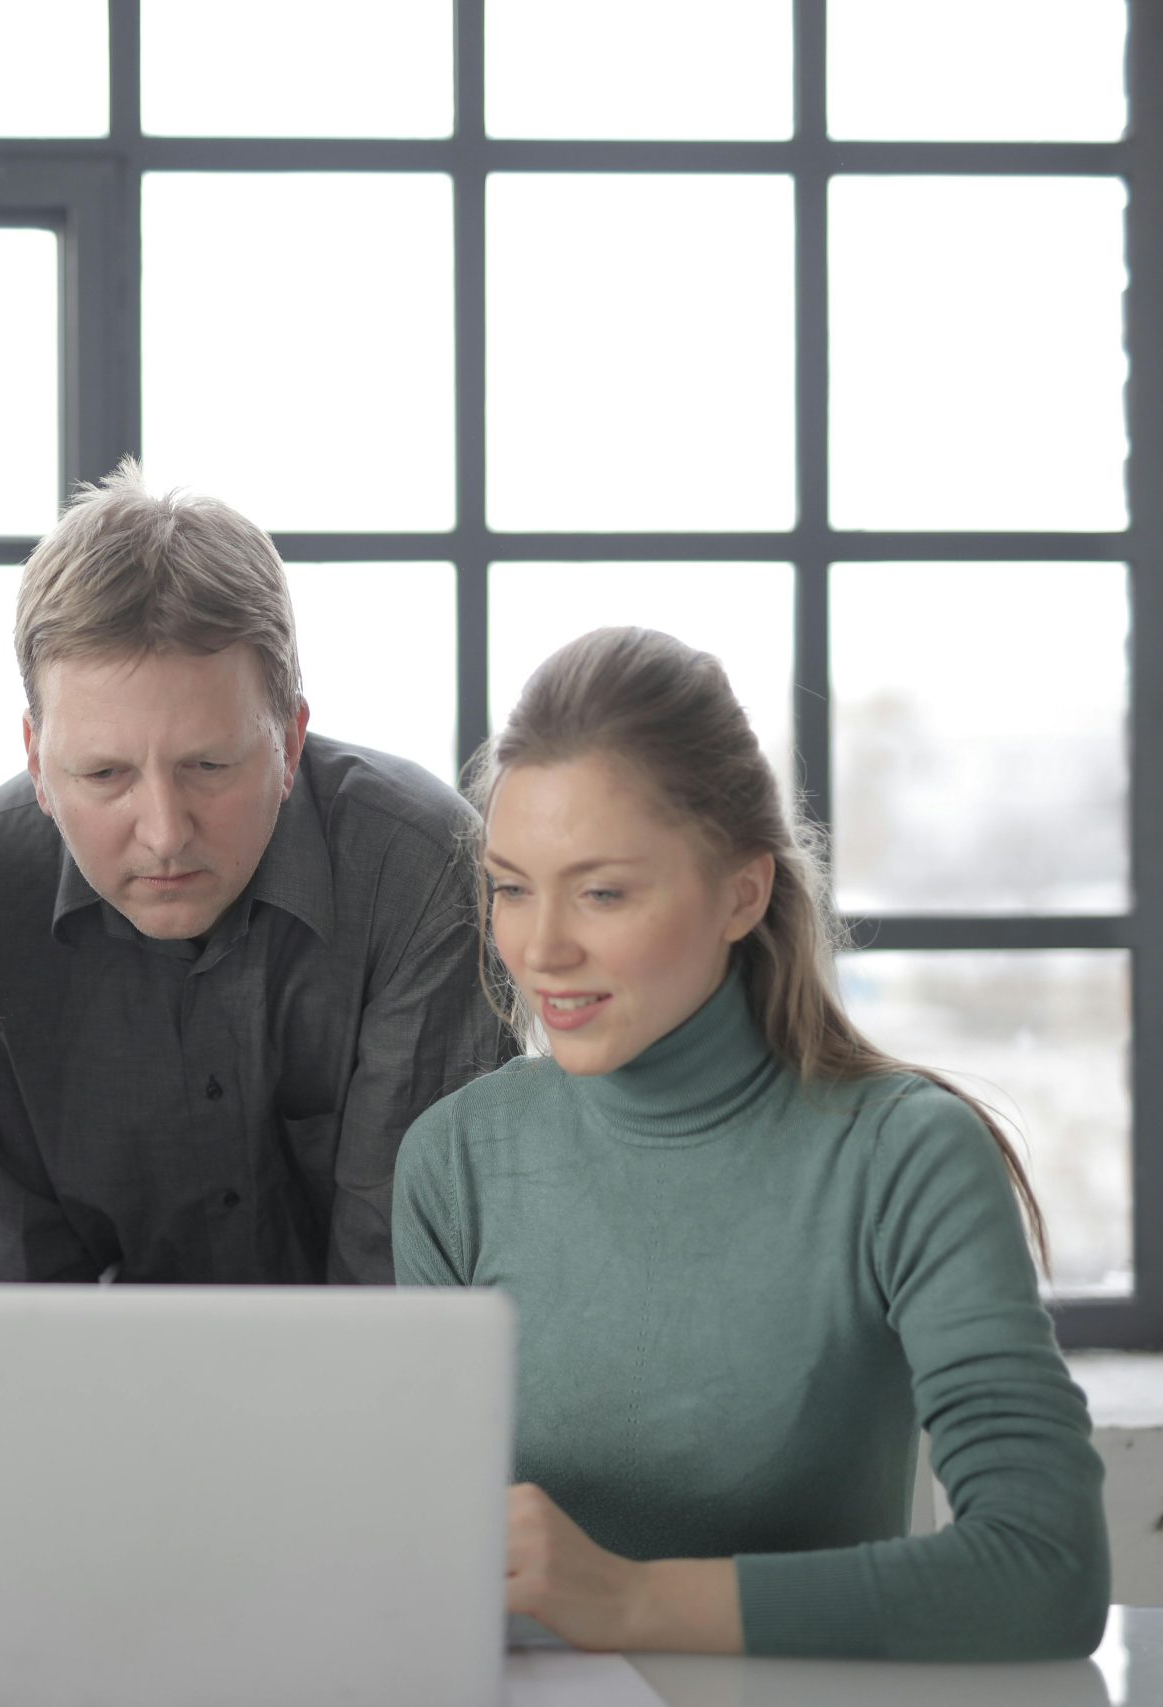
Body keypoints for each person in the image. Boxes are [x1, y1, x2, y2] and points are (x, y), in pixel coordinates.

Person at [393, 627, 1109, 1661]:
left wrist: (632, 1603)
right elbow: (427, 1561)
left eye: (601, 891)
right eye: (511, 886)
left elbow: (1047, 1569)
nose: (539, 948)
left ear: (741, 891)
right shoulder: (454, 1162)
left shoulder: (904, 1157)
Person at [0, 460, 509, 1285]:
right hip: (95, 1397)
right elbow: (13, 1286)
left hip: (370, 1398)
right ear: (36, 760)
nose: (166, 835)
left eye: (209, 764)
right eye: (104, 776)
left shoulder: (416, 868)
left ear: (289, 738)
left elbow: (397, 1294)